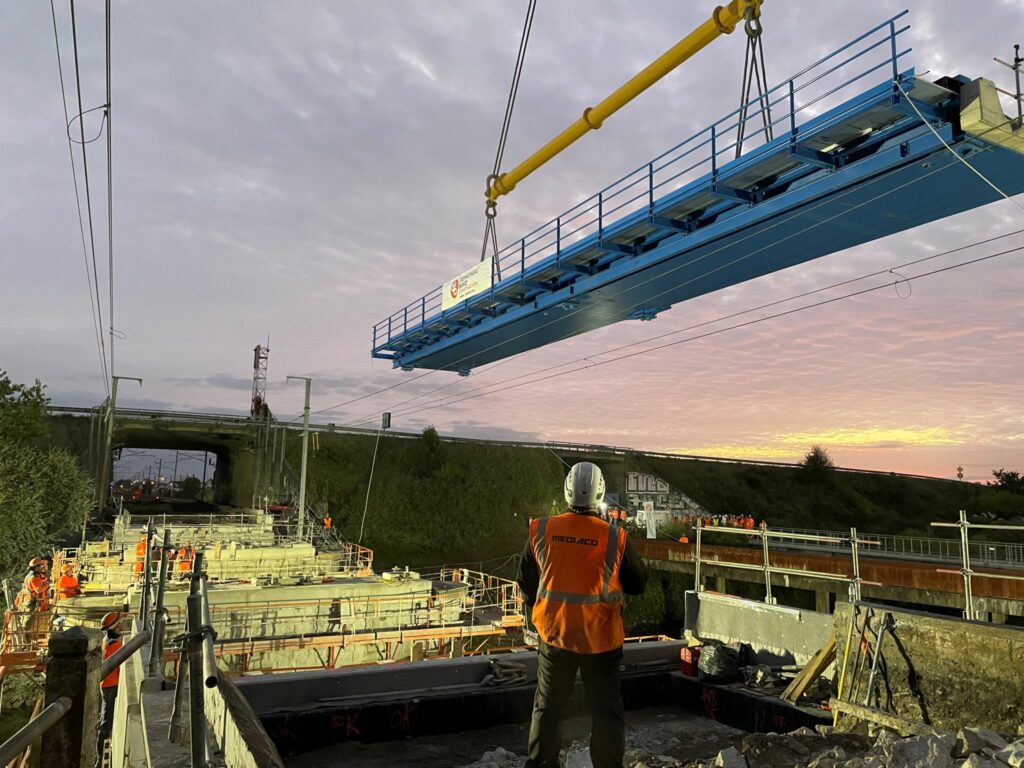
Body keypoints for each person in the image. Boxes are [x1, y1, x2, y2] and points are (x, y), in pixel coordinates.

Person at [517, 462, 648, 768]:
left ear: (567, 490)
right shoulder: (614, 537)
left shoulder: (542, 529)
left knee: (548, 708)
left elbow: (525, 579)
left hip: (555, 634)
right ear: (599, 493)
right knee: (606, 713)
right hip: (600, 640)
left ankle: (541, 765)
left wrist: (530, 613)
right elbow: (638, 583)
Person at [97, 611, 122, 763]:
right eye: (118, 625)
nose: (120, 627)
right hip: (111, 685)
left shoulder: (107, 641)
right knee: (106, 721)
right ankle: (100, 758)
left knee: (105, 718)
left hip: (106, 684)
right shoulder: (115, 645)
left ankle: (100, 753)